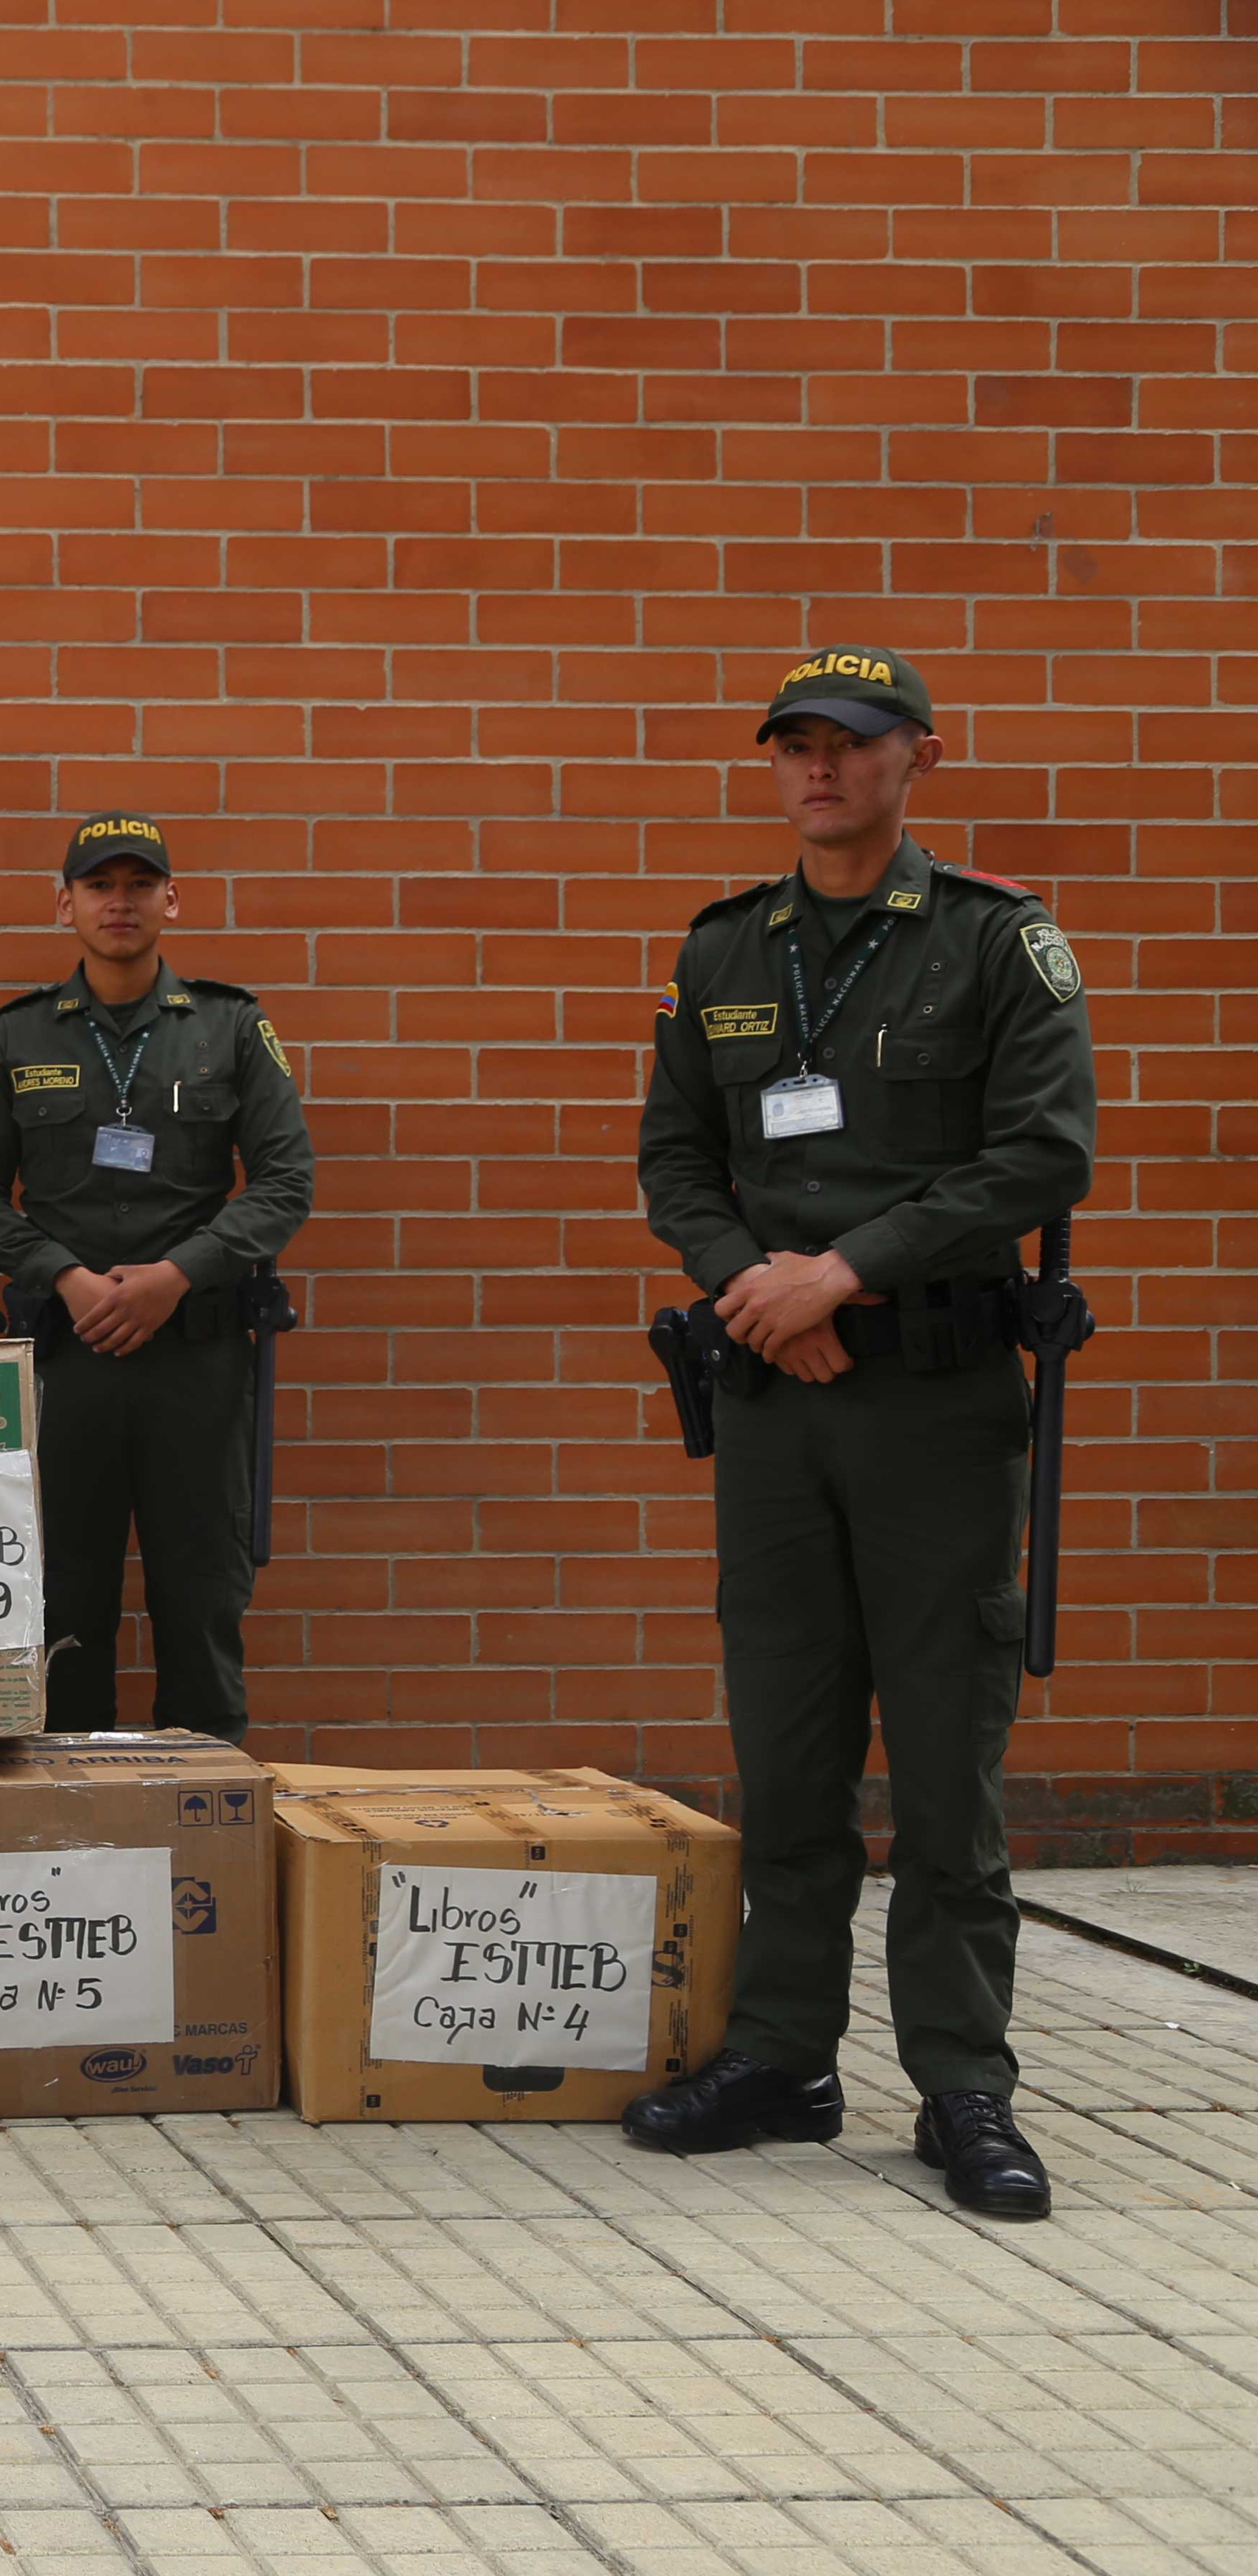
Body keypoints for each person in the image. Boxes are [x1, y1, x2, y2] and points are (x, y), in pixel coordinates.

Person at [623, 646, 1094, 2219]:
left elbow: (1043, 1154)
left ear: (919, 759)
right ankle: (782, 2053)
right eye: (795, 744)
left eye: (851, 741)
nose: (819, 767)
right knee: (788, 1741)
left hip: (932, 1403)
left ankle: (962, 2082)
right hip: (775, 1402)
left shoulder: (992, 939)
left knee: (945, 1758)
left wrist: (843, 1269)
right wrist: (752, 1285)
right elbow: (675, 1159)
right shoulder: (723, 948)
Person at [0, 814, 314, 1740]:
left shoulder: (231, 1026)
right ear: (64, 903)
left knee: (203, 1599)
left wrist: (177, 1276)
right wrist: (66, 1277)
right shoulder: (17, 1036)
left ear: (170, 901)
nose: (120, 902)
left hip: (197, 1362)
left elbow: (285, 1182)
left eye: (140, 884)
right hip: (66, 1364)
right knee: (63, 1604)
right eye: (99, 885)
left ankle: (204, 1814)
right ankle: (69, 1810)